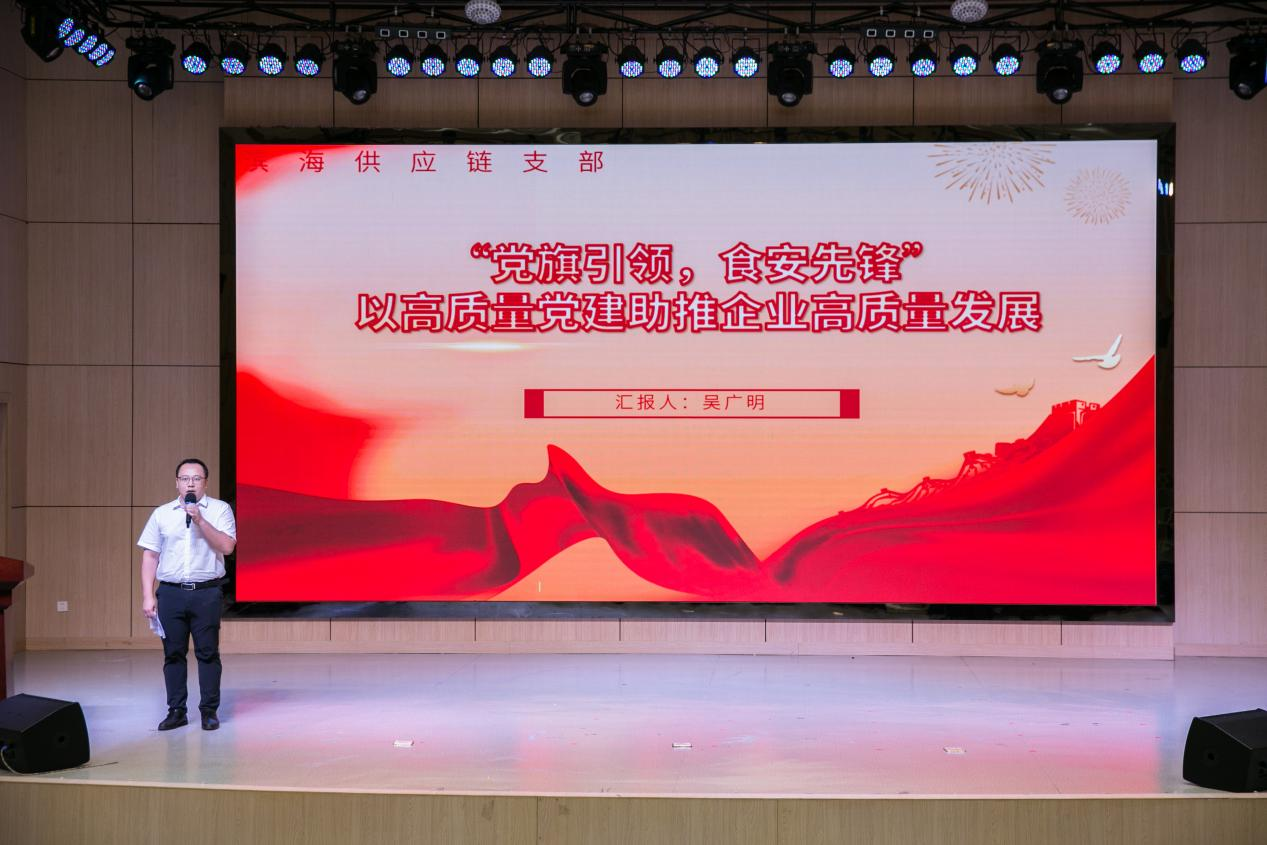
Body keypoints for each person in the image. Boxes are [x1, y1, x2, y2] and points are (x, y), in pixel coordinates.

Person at [137, 459, 237, 731]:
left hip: (207, 593)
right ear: (177, 483)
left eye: (196, 478)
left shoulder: (219, 510)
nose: (190, 483)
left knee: (208, 653)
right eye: (184, 478)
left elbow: (227, 546)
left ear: (205, 482)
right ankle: (176, 711)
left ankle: (209, 711)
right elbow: (150, 556)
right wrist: (148, 595)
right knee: (173, 654)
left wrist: (200, 520)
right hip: (171, 594)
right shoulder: (162, 514)